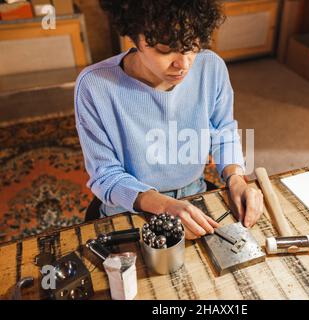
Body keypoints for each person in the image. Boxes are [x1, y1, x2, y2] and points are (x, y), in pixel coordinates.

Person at [74, 0, 264, 240]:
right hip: (130, 208)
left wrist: (236, 178)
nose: (183, 65)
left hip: (194, 194)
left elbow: (222, 132)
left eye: (192, 46)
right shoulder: (95, 85)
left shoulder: (211, 67)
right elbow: (105, 175)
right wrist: (163, 205)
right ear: (133, 36)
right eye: (165, 49)